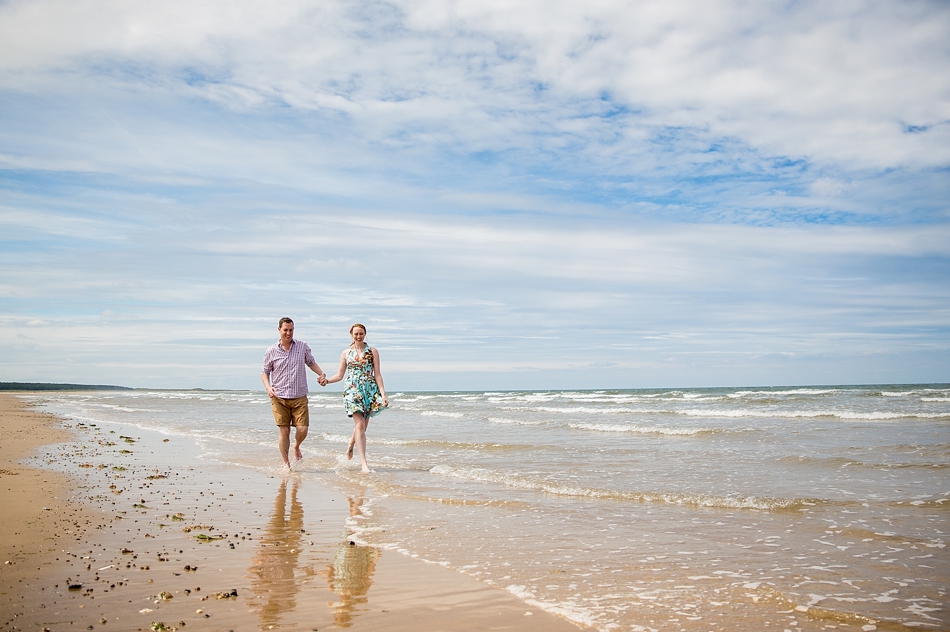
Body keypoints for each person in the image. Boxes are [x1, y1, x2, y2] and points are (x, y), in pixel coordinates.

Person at [261, 317, 328, 472]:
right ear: (279, 330)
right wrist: (268, 388)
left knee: (302, 429)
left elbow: (311, 362)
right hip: (279, 397)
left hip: (299, 396)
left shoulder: (302, 346)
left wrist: (321, 374)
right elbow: (264, 372)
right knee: (284, 431)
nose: (288, 333)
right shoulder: (271, 351)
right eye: (285, 330)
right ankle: (286, 464)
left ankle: (296, 446)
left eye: (291, 330)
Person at [324, 323, 388, 473]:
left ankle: (351, 444)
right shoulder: (346, 353)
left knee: (363, 427)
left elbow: (377, 374)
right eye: (356, 334)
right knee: (359, 425)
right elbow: (340, 375)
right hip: (352, 391)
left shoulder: (373, 352)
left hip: (369, 391)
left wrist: (383, 394)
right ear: (351, 335)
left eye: (361, 334)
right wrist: (327, 381)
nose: (358, 336)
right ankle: (364, 463)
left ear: (365, 334)